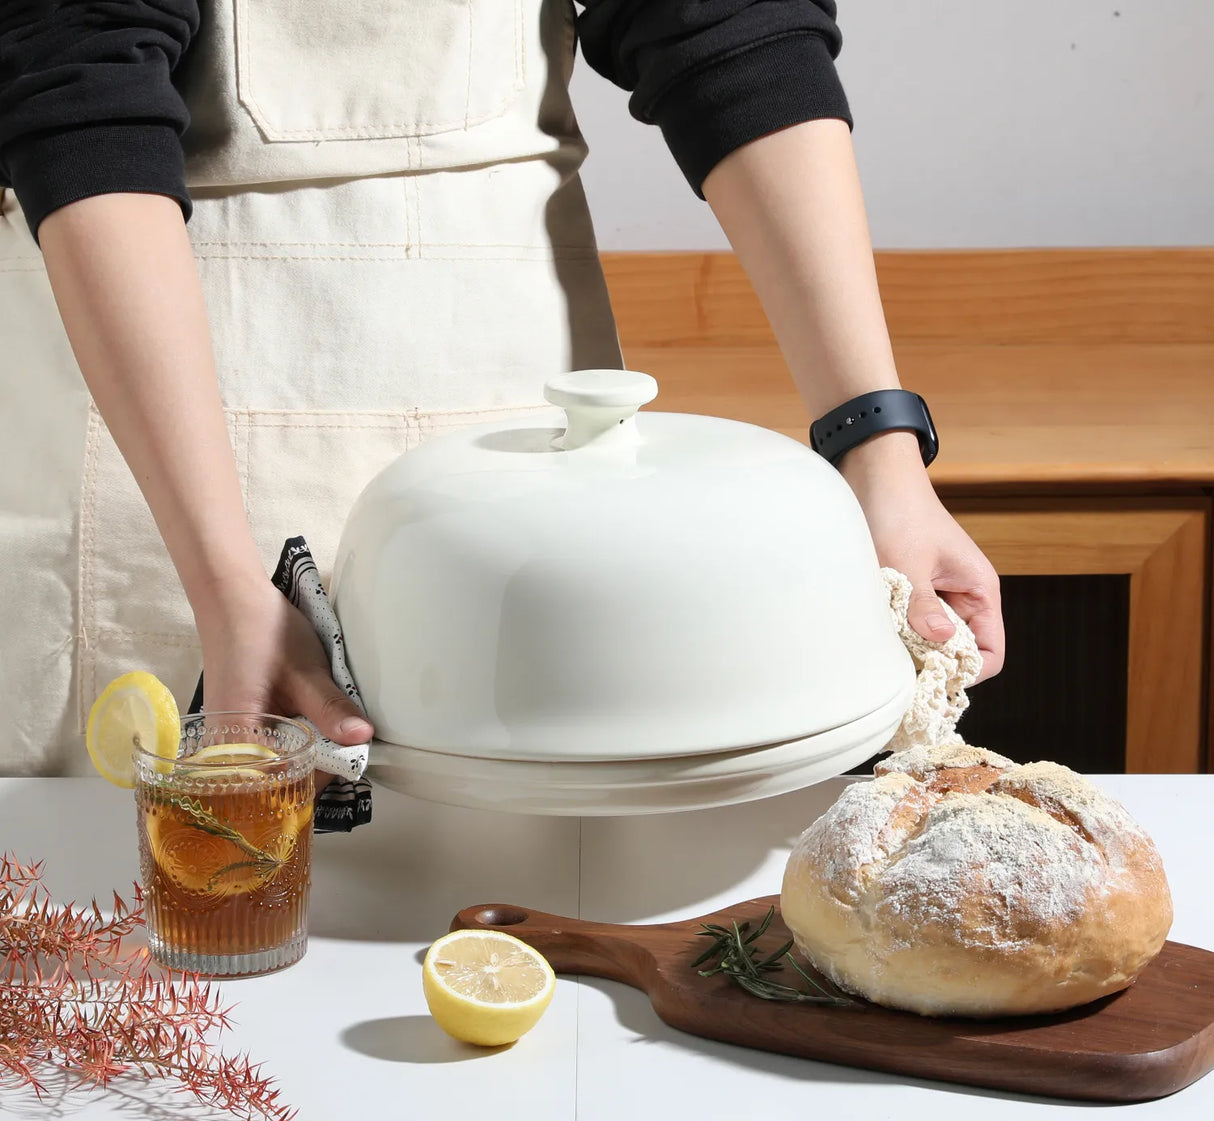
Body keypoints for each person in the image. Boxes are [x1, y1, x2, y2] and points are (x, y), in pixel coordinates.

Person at [0, 1, 1004, 777]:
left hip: (526, 460)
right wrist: (225, 580)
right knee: (170, 993)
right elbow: (77, 82)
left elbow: (722, 29)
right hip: (167, 487)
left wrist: (878, 451)